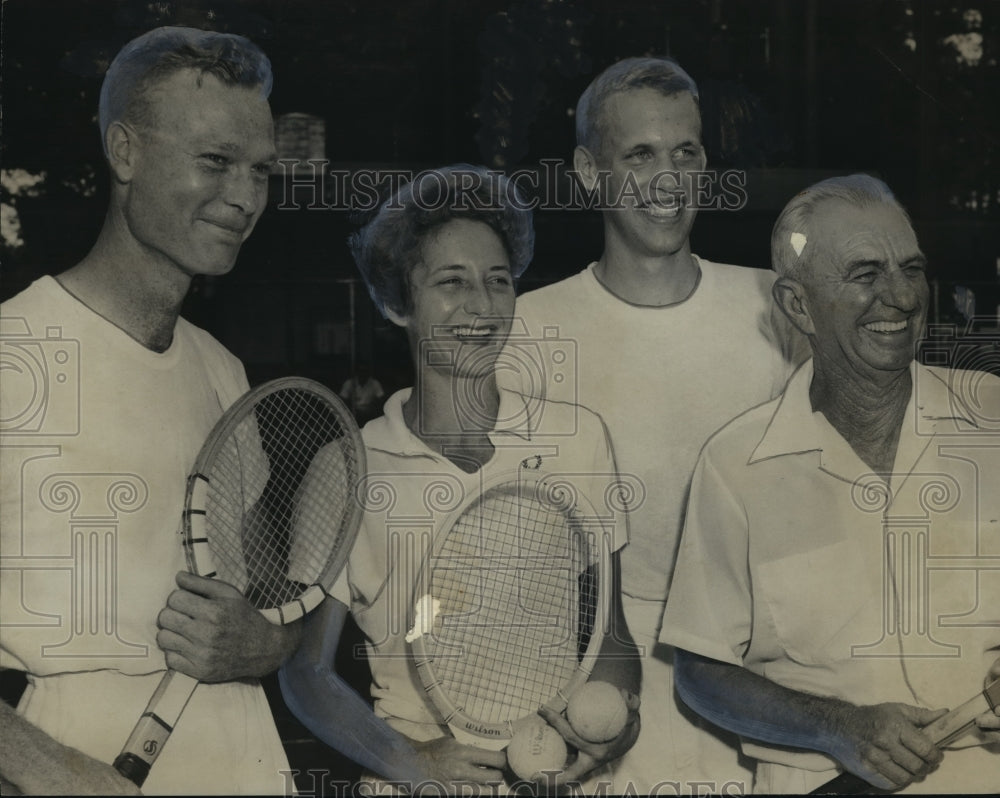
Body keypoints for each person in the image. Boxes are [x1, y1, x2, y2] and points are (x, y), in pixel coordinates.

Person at [0, 26, 298, 794]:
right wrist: (51, 768)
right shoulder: (14, 352)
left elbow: (274, 598)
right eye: (215, 162)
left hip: (244, 753)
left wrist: (262, 646)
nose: (244, 198)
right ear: (125, 153)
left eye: (260, 171)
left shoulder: (223, 371)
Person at [279, 165, 641, 793]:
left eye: (498, 281)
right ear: (397, 303)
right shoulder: (345, 469)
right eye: (452, 282)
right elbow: (304, 672)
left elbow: (610, 634)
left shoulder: (579, 439)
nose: (481, 305)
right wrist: (407, 761)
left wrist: (611, 728)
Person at [503, 56, 806, 793]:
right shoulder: (524, 333)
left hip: (763, 690)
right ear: (587, 171)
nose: (668, 181)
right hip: (593, 701)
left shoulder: (778, 308)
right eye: (639, 155)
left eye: (686, 153)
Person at [661, 174, 1000, 794]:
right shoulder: (736, 464)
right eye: (865, 274)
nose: (900, 296)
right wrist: (836, 727)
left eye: (912, 268)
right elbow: (701, 669)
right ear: (797, 305)